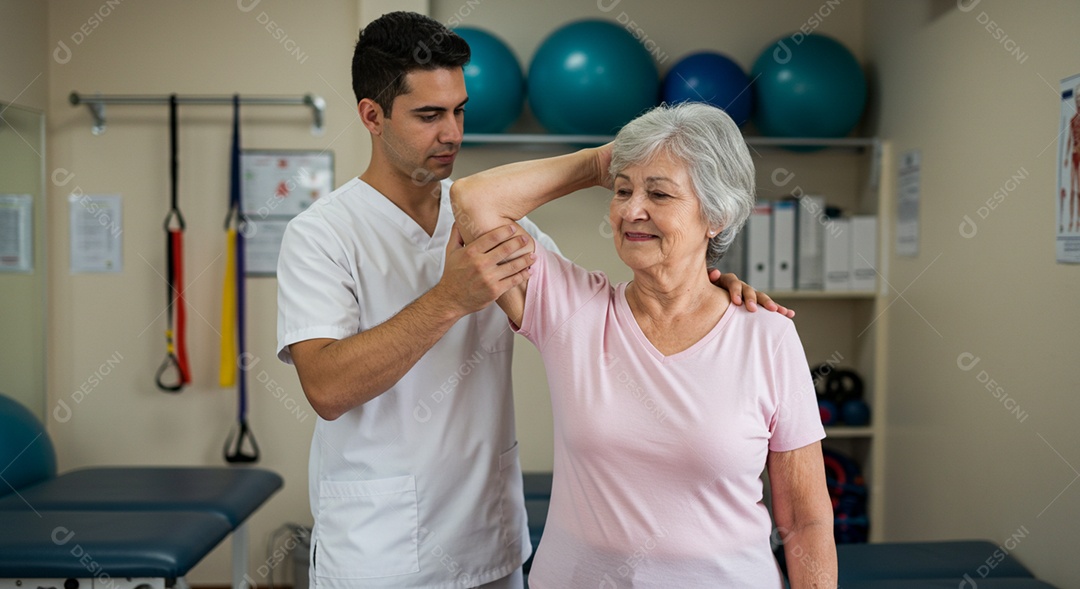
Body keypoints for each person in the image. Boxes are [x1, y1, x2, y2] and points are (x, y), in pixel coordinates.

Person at [276, 12, 789, 589]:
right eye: (428, 115)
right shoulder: (321, 234)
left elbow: (493, 211)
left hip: (489, 541)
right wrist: (449, 299)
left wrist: (711, 291)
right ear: (372, 115)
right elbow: (325, 388)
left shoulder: (484, 222)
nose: (452, 133)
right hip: (379, 550)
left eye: (459, 110)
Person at [451, 102, 836, 587]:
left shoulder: (768, 336)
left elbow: (805, 521)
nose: (633, 211)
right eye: (622, 190)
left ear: (714, 215)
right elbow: (473, 200)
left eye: (659, 193)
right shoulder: (572, 311)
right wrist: (597, 162)